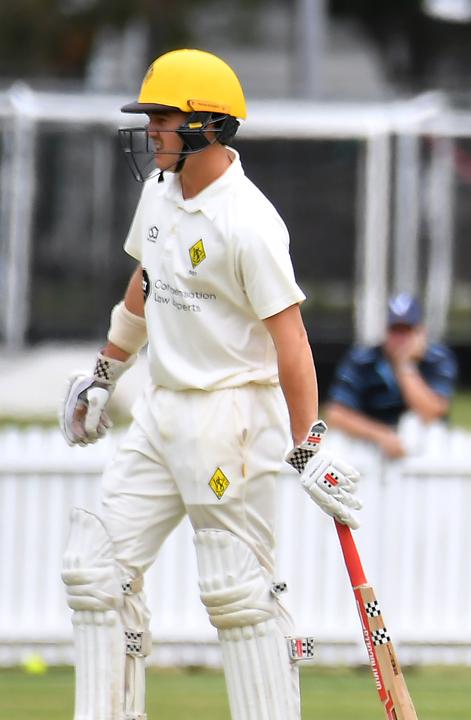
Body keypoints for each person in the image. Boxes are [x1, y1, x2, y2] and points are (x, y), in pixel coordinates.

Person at [58, 48, 360, 720]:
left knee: (237, 593)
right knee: (94, 569)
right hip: (162, 413)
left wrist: (308, 444)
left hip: (232, 421)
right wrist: (105, 375)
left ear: (208, 125)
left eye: (163, 117)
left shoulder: (249, 222)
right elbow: (144, 286)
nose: (152, 130)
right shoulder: (158, 192)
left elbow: (293, 342)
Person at [323, 293, 458, 458]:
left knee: (415, 424)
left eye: (406, 331)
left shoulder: (437, 359)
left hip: (426, 453)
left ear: (420, 332)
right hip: (368, 449)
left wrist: (405, 366)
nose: (400, 339)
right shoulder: (362, 360)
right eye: (395, 331)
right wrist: (381, 435)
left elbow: (431, 413)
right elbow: (336, 413)